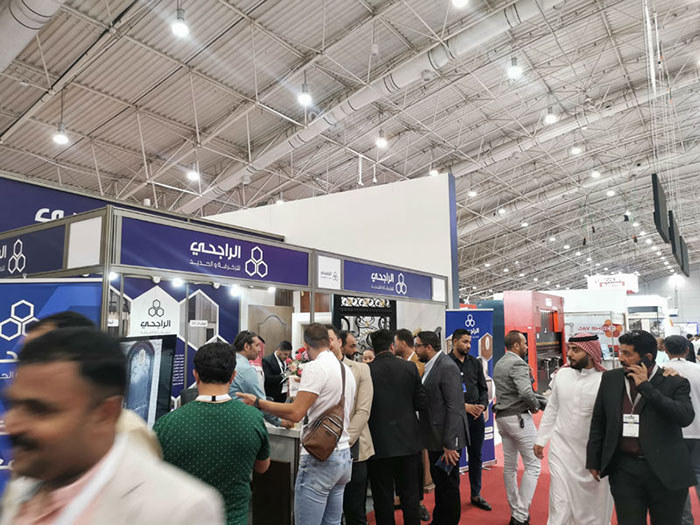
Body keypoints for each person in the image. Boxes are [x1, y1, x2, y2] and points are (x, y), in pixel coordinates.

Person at [1, 328, 224, 524]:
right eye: (13, 405)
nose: (12, 425)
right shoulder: (20, 488)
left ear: (105, 414)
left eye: (39, 410)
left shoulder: (178, 510)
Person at [237, 323, 357, 525]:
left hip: (320, 457)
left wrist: (258, 402)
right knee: (332, 522)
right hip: (343, 455)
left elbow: (296, 413)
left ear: (306, 345)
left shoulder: (316, 367)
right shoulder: (345, 370)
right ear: (329, 342)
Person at [586, 330, 695, 525]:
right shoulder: (611, 379)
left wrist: (646, 387)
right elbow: (599, 420)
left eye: (627, 354)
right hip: (624, 470)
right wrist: (593, 458)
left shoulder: (673, 381)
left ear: (647, 357)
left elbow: (684, 417)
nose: (621, 358)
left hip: (666, 470)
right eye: (620, 352)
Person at [154, 342, 270, 525]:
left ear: (196, 375)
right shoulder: (253, 418)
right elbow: (262, 466)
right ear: (233, 376)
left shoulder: (165, 424)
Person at [23, 311, 162, 458]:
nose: (26, 368)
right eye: (25, 357)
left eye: (38, 356)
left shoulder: (125, 431)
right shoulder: (32, 428)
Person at [534, 333, 613, 525]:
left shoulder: (606, 380)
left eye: (575, 350)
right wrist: (541, 439)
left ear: (590, 353)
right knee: (560, 504)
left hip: (592, 456)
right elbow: (553, 408)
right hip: (561, 451)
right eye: (569, 348)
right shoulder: (561, 375)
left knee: (593, 510)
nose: (569, 354)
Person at [367, 329, 427, 525]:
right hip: (408, 441)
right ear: (392, 346)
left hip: (379, 442)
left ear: (374, 349)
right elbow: (421, 402)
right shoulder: (409, 368)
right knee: (410, 495)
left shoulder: (367, 371)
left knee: (382, 496)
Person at [415, 330, 468, 525]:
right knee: (442, 484)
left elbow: (454, 406)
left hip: (446, 440)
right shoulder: (433, 365)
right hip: (435, 438)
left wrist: (449, 443)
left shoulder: (446, 366)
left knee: (449, 486)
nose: (415, 350)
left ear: (428, 347)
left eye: (418, 346)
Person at [493, 330, 547, 525]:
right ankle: (520, 514)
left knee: (510, 467)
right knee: (533, 465)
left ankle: (517, 510)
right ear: (516, 345)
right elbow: (525, 392)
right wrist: (535, 406)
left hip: (503, 419)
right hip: (518, 419)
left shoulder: (500, 363)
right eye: (524, 343)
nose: (526, 346)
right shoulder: (518, 363)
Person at [327, 325, 374, 525]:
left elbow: (363, 411)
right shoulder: (313, 368)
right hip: (323, 448)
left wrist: (344, 441)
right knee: (329, 511)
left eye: (330, 339)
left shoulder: (360, 369)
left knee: (354, 508)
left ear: (339, 342)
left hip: (353, 447)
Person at [448, 329, 491, 511]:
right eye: (464, 342)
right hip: (456, 418)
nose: (468, 345)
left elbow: (483, 388)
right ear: (455, 342)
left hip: (475, 417)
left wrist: (482, 405)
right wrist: (464, 406)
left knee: (476, 456)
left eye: (470, 342)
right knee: (454, 459)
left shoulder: (475, 363)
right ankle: (453, 497)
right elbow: (444, 396)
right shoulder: (446, 364)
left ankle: (476, 494)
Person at [663, 335, 700, 525]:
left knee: (678, 479)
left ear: (665, 350)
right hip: (699, 430)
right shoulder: (698, 370)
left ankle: (685, 521)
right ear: (687, 349)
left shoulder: (662, 372)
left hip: (673, 433)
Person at [395, 328, 430, 520]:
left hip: (416, 422)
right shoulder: (400, 363)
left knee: (416, 466)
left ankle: (419, 503)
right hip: (399, 424)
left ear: (402, 343)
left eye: (395, 343)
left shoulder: (418, 364)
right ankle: (402, 498)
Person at [229, 330, 286, 427]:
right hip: (240, 421)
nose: (259, 350)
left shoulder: (230, 362)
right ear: (247, 346)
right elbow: (260, 402)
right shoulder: (246, 369)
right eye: (257, 345)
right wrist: (280, 422)